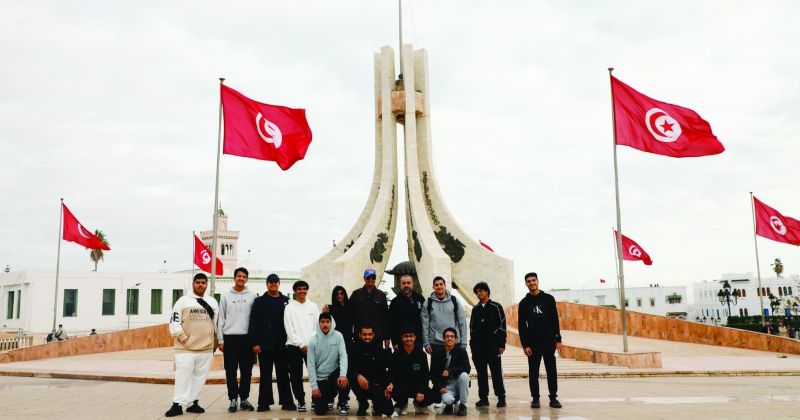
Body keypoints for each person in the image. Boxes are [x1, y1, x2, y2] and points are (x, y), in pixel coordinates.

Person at [164, 273, 219, 417]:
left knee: (199, 376)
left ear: (207, 285)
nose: (200, 285)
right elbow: (174, 322)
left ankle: (192, 402)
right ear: (193, 284)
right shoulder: (182, 301)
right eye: (198, 282)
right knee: (183, 375)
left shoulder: (212, 302)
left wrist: (215, 341)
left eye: (203, 283)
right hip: (185, 348)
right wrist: (183, 339)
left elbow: (216, 324)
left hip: (206, 348)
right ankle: (177, 404)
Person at [518, 272, 563, 409]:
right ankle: (535, 398)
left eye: (533, 280)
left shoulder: (549, 299)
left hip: (549, 341)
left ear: (538, 281)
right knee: (533, 372)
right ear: (526, 284)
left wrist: (558, 338)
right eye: (529, 281)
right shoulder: (523, 303)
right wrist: (525, 345)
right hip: (533, 343)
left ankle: (553, 398)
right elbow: (521, 326)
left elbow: (555, 320)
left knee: (551, 371)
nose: (532, 283)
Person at [248, 273, 292, 412]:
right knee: (265, 375)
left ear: (279, 284)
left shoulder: (286, 301)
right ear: (266, 284)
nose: (273, 284)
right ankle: (264, 403)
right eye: (271, 282)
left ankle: (287, 402)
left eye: (275, 282)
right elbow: (253, 322)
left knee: (283, 374)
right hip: (264, 344)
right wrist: (254, 343)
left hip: (282, 345)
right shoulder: (259, 301)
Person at [217, 267, 258, 412]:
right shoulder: (225, 296)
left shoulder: (253, 296)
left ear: (247, 279)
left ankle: (244, 399)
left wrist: (255, 340)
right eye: (239, 276)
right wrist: (220, 340)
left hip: (247, 339)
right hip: (230, 339)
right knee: (231, 371)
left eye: (244, 276)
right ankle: (233, 399)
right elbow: (221, 318)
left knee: (247, 372)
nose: (241, 278)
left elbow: (255, 319)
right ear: (234, 278)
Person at [283, 280, 320, 412]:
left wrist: (310, 343)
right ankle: (301, 401)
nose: (302, 291)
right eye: (299, 289)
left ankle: (316, 400)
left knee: (315, 374)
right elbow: (289, 329)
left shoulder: (313, 306)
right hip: (294, 346)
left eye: (304, 289)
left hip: (312, 346)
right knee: (295, 376)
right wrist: (301, 344)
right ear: (295, 291)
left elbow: (317, 327)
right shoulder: (289, 308)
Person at [470, 281, 507, 408]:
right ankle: (483, 398)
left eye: (481, 291)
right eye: (477, 292)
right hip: (478, 348)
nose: (479, 293)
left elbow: (502, 326)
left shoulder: (496, 307)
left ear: (487, 292)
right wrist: (473, 348)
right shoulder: (475, 309)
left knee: (496, 373)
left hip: (493, 347)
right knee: (481, 374)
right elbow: (472, 329)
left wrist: (501, 344)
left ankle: (501, 397)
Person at [389, 325, 437, 415]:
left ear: (415, 337)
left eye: (411, 336)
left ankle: (418, 404)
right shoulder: (396, 354)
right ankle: (401, 404)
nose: (409, 339)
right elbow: (391, 372)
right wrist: (391, 383)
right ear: (402, 338)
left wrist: (421, 391)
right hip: (402, 385)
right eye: (406, 336)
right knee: (396, 393)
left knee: (432, 396)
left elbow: (425, 375)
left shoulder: (421, 354)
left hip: (417, 386)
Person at [307, 312, 349, 416]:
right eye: (322, 322)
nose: (325, 324)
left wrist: (343, 375)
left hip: (334, 374)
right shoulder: (313, 341)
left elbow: (343, 356)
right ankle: (326, 398)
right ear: (319, 324)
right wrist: (314, 387)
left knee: (346, 375)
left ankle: (342, 402)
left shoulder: (338, 336)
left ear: (331, 323)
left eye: (327, 322)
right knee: (320, 411)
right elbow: (310, 365)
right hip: (321, 379)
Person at [349, 325, 394, 417]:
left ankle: (376, 404)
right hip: (360, 383)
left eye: (369, 334)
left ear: (373, 335)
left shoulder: (379, 349)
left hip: (375, 384)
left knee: (389, 411)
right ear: (360, 335)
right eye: (364, 334)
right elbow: (350, 368)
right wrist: (358, 376)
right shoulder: (354, 348)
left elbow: (384, 371)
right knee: (352, 379)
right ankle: (362, 403)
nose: (367, 337)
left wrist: (387, 386)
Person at [421, 276, 467, 355]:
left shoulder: (454, 300)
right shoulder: (428, 303)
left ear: (445, 286)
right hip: (436, 343)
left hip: (453, 342)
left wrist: (463, 342)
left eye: (441, 284)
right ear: (433, 287)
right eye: (436, 285)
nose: (439, 287)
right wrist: (426, 343)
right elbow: (425, 325)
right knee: (437, 363)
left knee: (456, 363)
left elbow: (462, 322)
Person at [430, 327, 470, 417]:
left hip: (458, 382)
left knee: (464, 376)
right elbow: (432, 374)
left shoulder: (461, 351)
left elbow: (467, 368)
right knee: (447, 400)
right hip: (446, 385)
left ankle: (463, 405)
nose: (449, 338)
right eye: (447, 336)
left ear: (455, 339)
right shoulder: (436, 353)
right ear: (444, 339)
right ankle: (452, 402)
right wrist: (440, 387)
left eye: (452, 336)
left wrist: (451, 371)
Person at [326, 285, 354, 411]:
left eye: (341, 293)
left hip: (348, 344)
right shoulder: (330, 309)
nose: (339, 296)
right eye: (337, 294)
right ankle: (331, 397)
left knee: (345, 372)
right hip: (334, 344)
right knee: (333, 372)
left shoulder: (351, 308)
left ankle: (343, 399)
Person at [349, 268, 390, 348]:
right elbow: (347, 311)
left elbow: (386, 317)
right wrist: (329, 308)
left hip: (377, 337)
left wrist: (386, 337)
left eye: (373, 277)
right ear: (364, 278)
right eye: (368, 277)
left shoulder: (381, 295)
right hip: (360, 336)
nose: (371, 279)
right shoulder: (356, 294)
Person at [388, 274, 425, 350]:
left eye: (408, 283)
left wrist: (425, 339)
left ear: (412, 284)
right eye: (404, 283)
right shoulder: (395, 302)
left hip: (417, 340)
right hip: (400, 341)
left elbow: (425, 319)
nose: (406, 285)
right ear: (400, 285)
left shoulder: (420, 299)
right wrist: (394, 341)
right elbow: (391, 323)